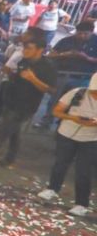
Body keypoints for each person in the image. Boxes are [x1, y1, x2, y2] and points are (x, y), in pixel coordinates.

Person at [0, 29, 57, 168]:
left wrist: (33, 79)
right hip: (11, 99)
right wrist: (11, 74)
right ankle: (10, 158)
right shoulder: (24, 60)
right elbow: (18, 77)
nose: (25, 51)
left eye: (29, 48)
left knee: (2, 131)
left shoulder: (47, 67)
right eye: (25, 48)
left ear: (39, 50)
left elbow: (51, 89)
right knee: (14, 132)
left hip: (25, 106)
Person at [37, 73, 97, 217]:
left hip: (90, 139)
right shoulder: (77, 93)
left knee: (83, 171)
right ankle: (52, 188)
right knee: (60, 163)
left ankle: (81, 203)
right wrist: (73, 118)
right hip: (66, 134)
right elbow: (56, 111)